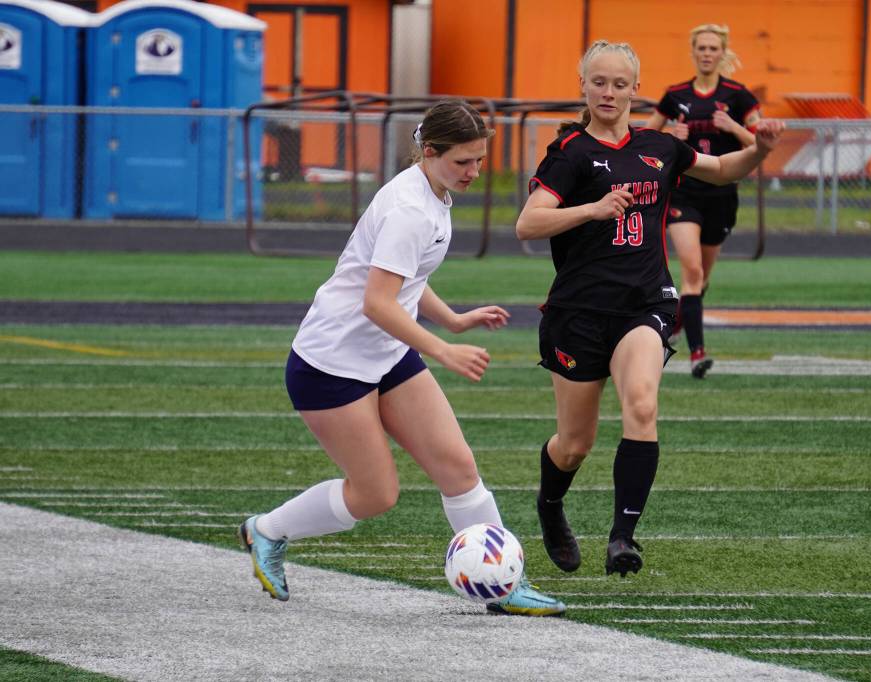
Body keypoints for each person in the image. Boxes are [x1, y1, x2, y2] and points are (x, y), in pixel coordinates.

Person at [239, 99, 565, 617]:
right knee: (375, 495)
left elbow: (408, 279)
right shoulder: (410, 208)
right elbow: (377, 302)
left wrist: (454, 319)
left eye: (479, 160)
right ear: (430, 152)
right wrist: (443, 347)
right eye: (464, 162)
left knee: (457, 466)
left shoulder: (431, 189)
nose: (475, 172)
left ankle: (504, 586)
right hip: (330, 366)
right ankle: (266, 530)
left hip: (387, 353)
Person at [516, 40, 782, 577]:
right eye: (599, 82)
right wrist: (590, 209)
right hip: (579, 312)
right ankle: (550, 506)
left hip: (644, 304)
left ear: (636, 89)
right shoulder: (568, 153)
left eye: (619, 83)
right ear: (583, 86)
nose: (609, 92)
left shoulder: (660, 147)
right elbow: (528, 223)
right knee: (574, 445)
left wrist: (760, 150)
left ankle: (622, 538)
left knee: (641, 405)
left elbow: (724, 168)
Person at [645, 24, 762, 378]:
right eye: (701, 47)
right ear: (693, 51)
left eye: (713, 48)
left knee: (701, 280)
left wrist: (733, 127)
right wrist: (669, 134)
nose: (707, 53)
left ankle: (680, 320)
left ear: (722, 52)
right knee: (691, 273)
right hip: (683, 192)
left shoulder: (738, 96)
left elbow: (761, 141)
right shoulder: (675, 94)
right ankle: (698, 354)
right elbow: (646, 138)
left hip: (722, 195)